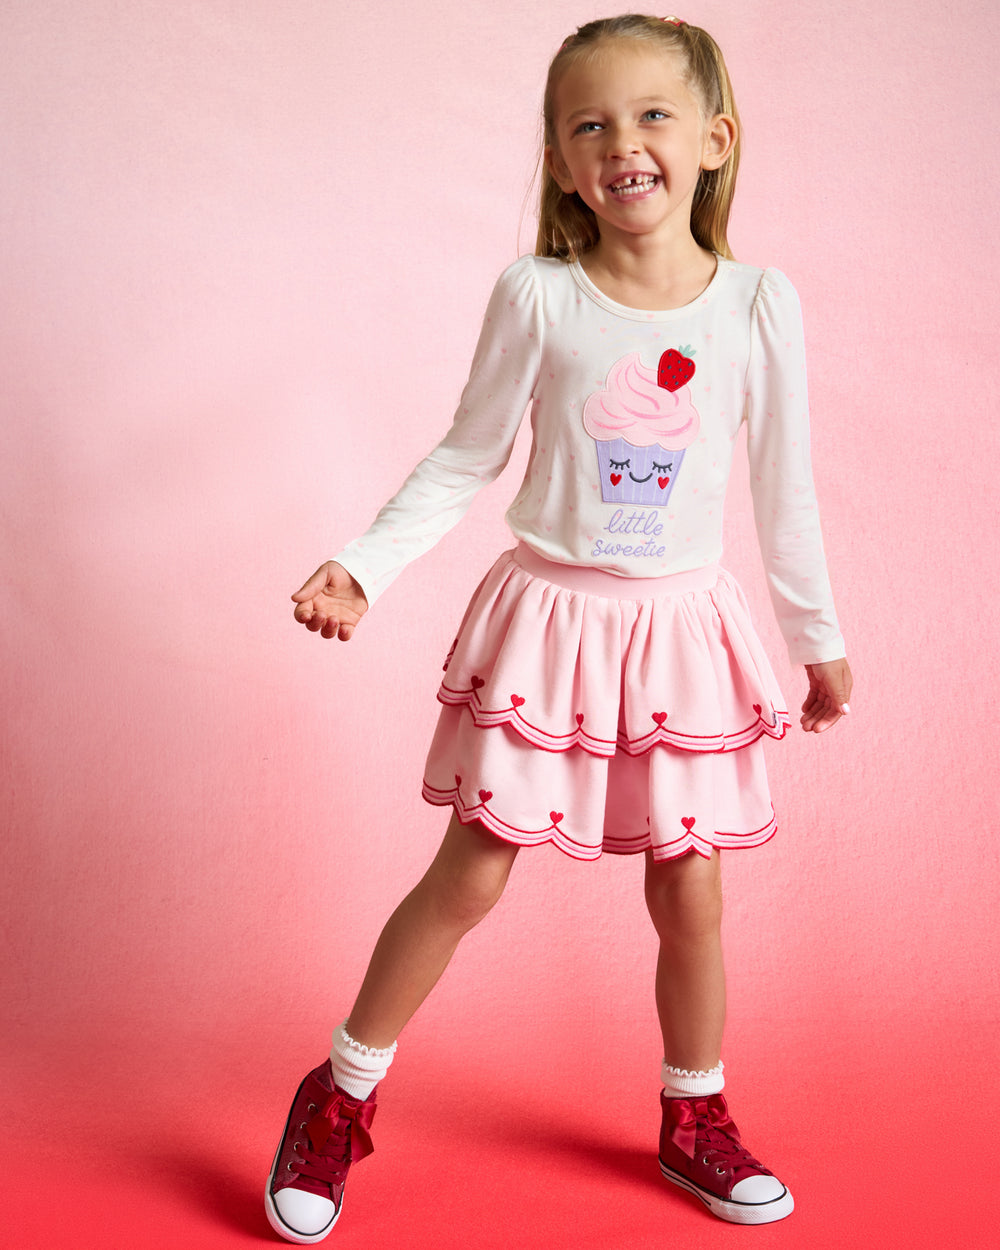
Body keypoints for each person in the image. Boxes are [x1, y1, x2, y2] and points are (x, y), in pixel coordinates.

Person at [265, 13, 853, 1242]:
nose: (622, 143)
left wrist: (816, 636)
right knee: (472, 870)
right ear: (558, 161)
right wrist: (363, 566)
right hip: (550, 624)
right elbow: (465, 453)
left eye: (651, 116)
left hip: (680, 631)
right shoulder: (537, 294)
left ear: (713, 139)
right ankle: (340, 1091)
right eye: (590, 124)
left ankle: (694, 1113)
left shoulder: (759, 304)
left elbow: (783, 488)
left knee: (691, 889)